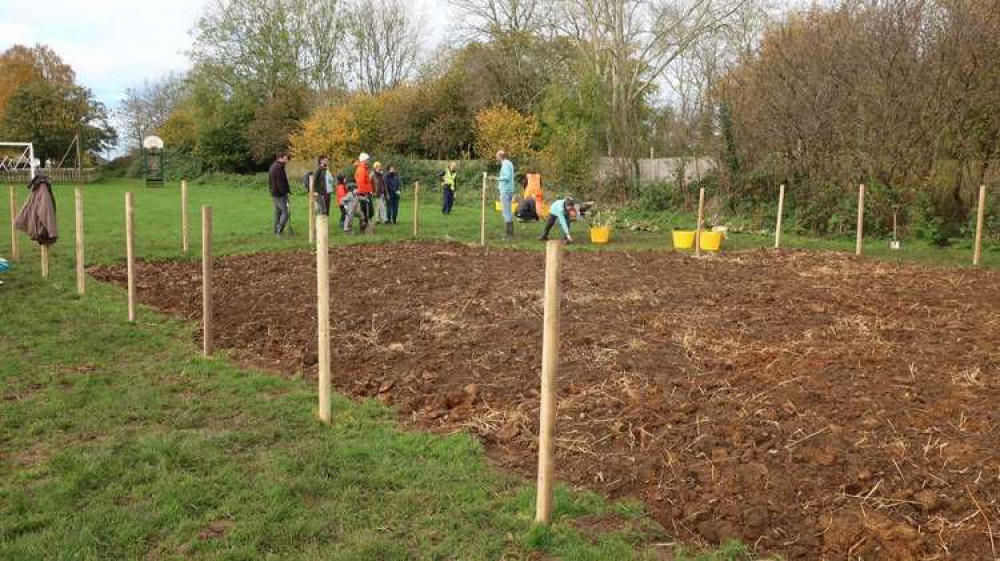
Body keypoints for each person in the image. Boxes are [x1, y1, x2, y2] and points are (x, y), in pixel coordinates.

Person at [267, 152, 291, 235]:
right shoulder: (279, 167)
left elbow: (270, 181)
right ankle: (279, 231)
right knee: (285, 212)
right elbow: (281, 183)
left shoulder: (273, 166)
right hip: (279, 194)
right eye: (286, 157)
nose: (287, 159)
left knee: (278, 212)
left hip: (274, 193)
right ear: (281, 158)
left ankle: (276, 230)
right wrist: (285, 193)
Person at [496, 150, 515, 239]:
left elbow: (507, 177)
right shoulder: (509, 163)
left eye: (497, 156)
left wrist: (497, 178)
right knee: (508, 211)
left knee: (506, 212)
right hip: (509, 190)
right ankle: (510, 233)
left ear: (500, 156)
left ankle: (509, 234)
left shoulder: (505, 164)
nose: (496, 157)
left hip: (506, 191)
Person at [354, 152, 374, 231]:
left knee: (366, 211)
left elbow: (365, 180)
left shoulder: (363, 168)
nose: (368, 161)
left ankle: (365, 226)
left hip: (365, 192)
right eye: (367, 159)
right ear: (363, 160)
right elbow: (360, 182)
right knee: (368, 211)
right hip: (364, 193)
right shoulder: (361, 169)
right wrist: (364, 193)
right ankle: (365, 227)